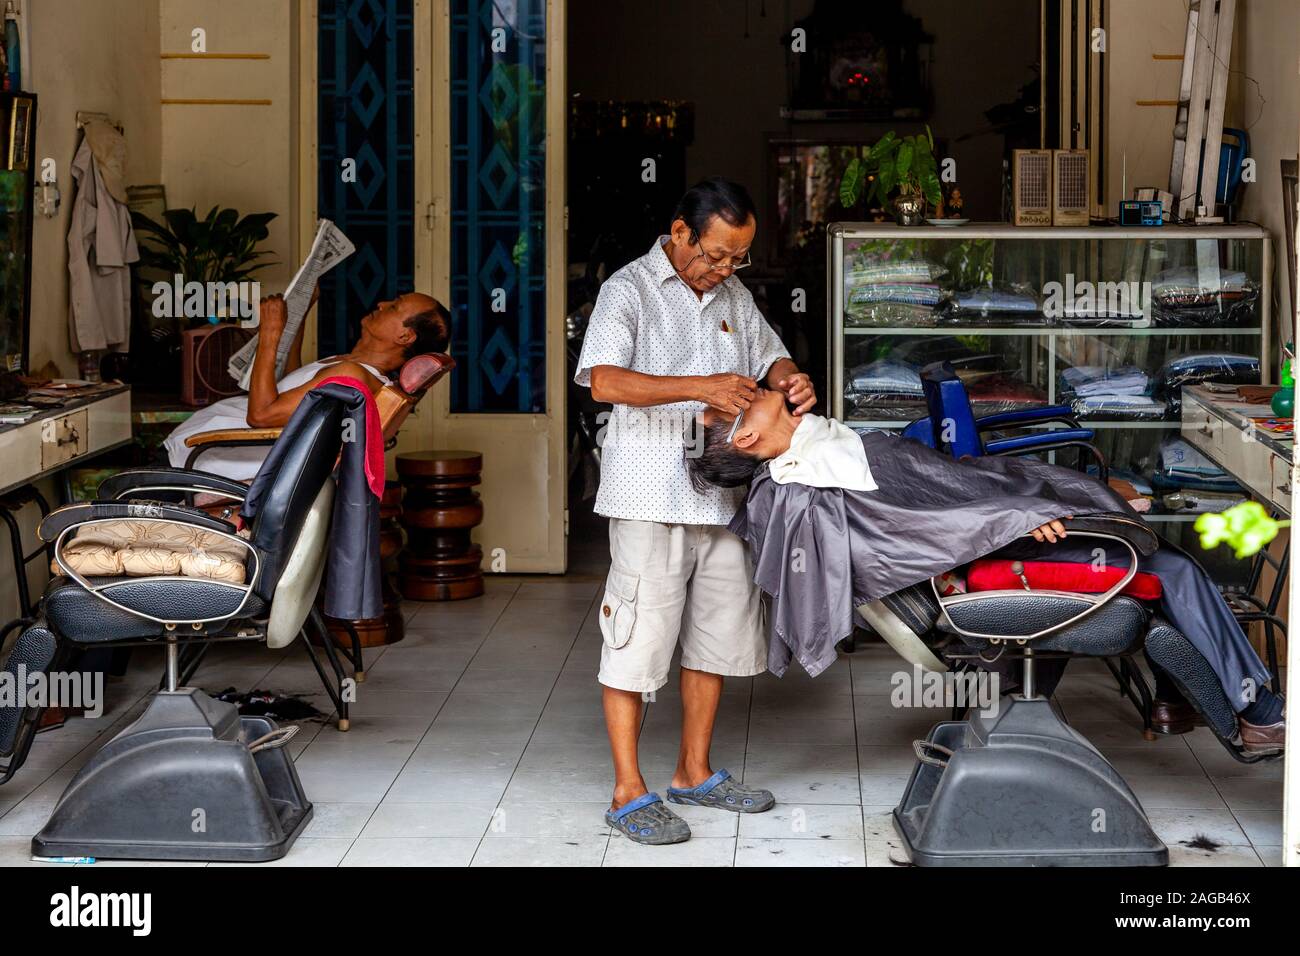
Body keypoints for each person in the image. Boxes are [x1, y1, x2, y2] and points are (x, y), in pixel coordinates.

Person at [686, 386, 1286, 754]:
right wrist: (1016, 516)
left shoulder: (818, 452)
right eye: (737, 404)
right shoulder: (811, 479)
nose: (746, 389)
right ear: (748, 439)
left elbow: (939, 496)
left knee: (1158, 560)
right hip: (991, 557)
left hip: (998, 526)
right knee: (1172, 570)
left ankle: (1182, 696)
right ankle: (1259, 715)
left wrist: (1019, 501)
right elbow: (920, 529)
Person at [575, 177, 816, 846]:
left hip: (723, 496)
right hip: (650, 496)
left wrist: (788, 378)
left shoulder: (735, 295)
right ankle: (628, 792)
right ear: (680, 232)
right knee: (635, 645)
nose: (726, 268)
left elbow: (772, 355)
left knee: (713, 639)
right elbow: (602, 380)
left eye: (738, 256)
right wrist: (699, 388)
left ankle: (694, 771)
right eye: (716, 253)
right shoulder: (629, 289)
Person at [165, 291, 450, 480]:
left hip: (199, 460)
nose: (381, 304)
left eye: (394, 306)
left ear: (404, 336)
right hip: (193, 453)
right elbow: (298, 387)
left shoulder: (353, 376)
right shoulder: (351, 366)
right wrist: (300, 313)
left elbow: (262, 415)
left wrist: (270, 333)